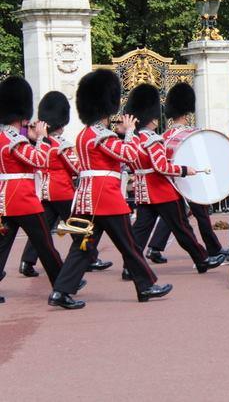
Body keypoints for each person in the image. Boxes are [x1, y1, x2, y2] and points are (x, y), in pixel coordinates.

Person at [49, 69, 171, 309]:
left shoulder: (86, 133)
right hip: (105, 197)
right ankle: (145, 285)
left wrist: (122, 134)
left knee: (84, 246)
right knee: (129, 244)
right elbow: (131, 155)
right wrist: (132, 133)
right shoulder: (101, 135)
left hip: (87, 198)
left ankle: (61, 291)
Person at [121, 84, 224, 280]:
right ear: (151, 119)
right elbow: (161, 166)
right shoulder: (152, 140)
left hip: (144, 192)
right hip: (162, 191)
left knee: (140, 232)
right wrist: (185, 170)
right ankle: (202, 259)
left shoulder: (133, 140)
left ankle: (129, 266)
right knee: (182, 228)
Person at [18, 91, 112, 278]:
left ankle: (27, 261)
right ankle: (91, 258)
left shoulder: (41, 142)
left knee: (42, 231)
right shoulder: (61, 144)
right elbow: (75, 167)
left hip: (45, 191)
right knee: (79, 226)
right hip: (62, 192)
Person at [0, 77, 66, 305]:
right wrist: (41, 139)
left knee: (2, 245)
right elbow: (40, 161)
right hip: (22, 198)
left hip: (6, 198)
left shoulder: (5, 137)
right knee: (45, 244)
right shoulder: (14, 140)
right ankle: (63, 287)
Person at [146, 83, 229, 263]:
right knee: (201, 216)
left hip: (171, 181)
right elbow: (202, 157)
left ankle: (155, 247)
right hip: (191, 178)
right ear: (187, 112)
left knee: (174, 216)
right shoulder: (192, 133)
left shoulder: (164, 136)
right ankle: (213, 249)